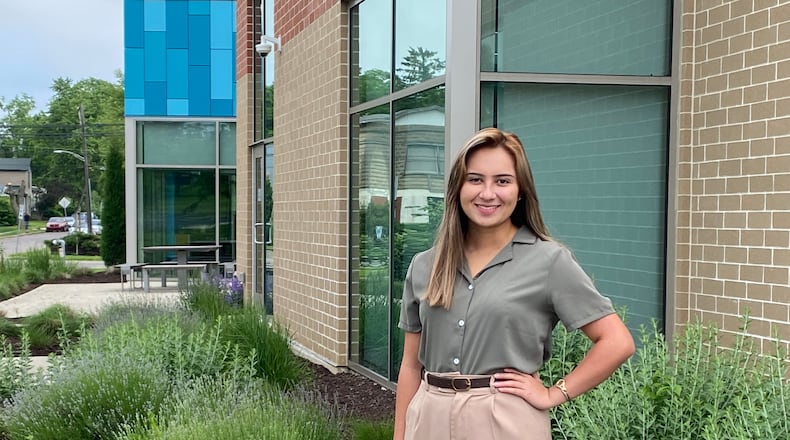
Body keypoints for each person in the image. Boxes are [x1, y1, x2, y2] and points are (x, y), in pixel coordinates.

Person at [394, 127, 635, 440]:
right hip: (428, 418)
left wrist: (555, 393)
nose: (487, 193)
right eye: (475, 179)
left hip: (506, 421)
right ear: (458, 187)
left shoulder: (549, 261)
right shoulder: (425, 265)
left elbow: (617, 341)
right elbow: (411, 367)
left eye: (502, 181)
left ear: (521, 190)